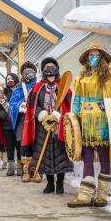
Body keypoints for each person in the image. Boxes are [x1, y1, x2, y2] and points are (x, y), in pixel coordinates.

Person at [68, 42, 111, 208]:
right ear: (86, 58)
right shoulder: (81, 77)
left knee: (104, 157)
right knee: (86, 158)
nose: (93, 58)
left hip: (103, 123)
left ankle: (102, 195)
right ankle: (85, 195)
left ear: (101, 58)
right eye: (90, 55)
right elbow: (77, 100)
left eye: (96, 55)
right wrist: (74, 119)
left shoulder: (110, 77)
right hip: (85, 123)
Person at [22, 57, 74, 194]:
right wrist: (42, 114)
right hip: (43, 127)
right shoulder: (38, 87)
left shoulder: (63, 86)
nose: (49, 69)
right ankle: (50, 183)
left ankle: (60, 183)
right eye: (46, 67)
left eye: (52, 66)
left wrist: (57, 115)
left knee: (60, 154)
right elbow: (33, 105)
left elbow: (68, 104)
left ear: (56, 69)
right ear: (43, 71)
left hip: (59, 125)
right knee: (45, 155)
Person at [9, 61, 39, 182]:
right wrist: (20, 106)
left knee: (36, 143)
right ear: (22, 73)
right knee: (23, 143)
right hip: (23, 120)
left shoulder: (39, 85)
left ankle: (36, 170)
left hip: (36, 119)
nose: (28, 72)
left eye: (30, 69)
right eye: (25, 70)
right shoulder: (17, 88)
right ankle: (25, 170)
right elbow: (12, 103)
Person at [0, 73, 20, 176]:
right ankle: (11, 168)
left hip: (19, 122)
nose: (10, 80)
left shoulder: (20, 91)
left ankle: (20, 167)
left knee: (20, 145)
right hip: (7, 125)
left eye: (12, 78)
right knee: (10, 146)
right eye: (8, 79)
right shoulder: (3, 93)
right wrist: (4, 115)